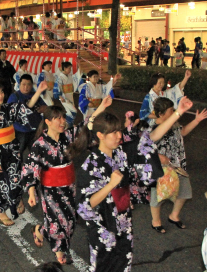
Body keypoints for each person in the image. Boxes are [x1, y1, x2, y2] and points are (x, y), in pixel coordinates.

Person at [71, 96, 194, 272]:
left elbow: (150, 138)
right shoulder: (90, 166)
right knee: (104, 266)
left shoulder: (121, 152)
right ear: (100, 136)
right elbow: (85, 204)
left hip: (123, 220)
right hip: (103, 226)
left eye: (119, 131)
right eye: (113, 133)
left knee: (124, 262)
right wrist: (110, 185)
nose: (119, 135)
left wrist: (178, 112)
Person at [22, 99, 111, 265]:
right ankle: (60, 251)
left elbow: (85, 125)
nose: (63, 121)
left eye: (63, 118)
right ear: (48, 121)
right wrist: (32, 191)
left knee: (69, 220)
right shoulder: (39, 144)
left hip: (69, 186)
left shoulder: (67, 136)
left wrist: (101, 107)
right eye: (58, 118)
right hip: (50, 189)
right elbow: (31, 167)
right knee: (57, 221)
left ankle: (40, 230)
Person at [0, 81, 48, 225]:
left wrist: (38, 92)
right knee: (2, 183)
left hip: (12, 150)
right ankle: (2, 212)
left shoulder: (9, 108)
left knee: (15, 180)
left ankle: (16, 198)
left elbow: (25, 107)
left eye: (2, 92)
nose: (0, 96)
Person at [149, 98, 207, 233]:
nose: (174, 112)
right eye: (171, 110)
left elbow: (182, 132)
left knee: (184, 191)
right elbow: (144, 149)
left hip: (178, 164)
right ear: (160, 114)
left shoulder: (174, 124)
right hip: (161, 168)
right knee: (158, 195)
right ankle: (156, 221)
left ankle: (174, 215)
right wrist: (158, 157)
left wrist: (196, 120)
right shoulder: (152, 127)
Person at [7, 74, 47, 156]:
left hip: (35, 131)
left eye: (28, 84)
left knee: (37, 153)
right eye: (24, 84)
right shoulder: (15, 96)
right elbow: (11, 112)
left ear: (32, 85)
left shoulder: (35, 95)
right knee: (17, 154)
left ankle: (35, 167)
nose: (26, 87)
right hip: (20, 131)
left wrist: (43, 108)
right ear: (19, 84)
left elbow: (46, 107)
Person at [53, 61, 82, 127]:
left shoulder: (70, 76)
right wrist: (60, 96)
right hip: (64, 97)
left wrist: (79, 65)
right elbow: (58, 87)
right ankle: (68, 125)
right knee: (73, 111)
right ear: (65, 68)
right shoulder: (60, 78)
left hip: (71, 96)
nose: (70, 70)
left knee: (69, 111)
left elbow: (78, 75)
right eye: (69, 68)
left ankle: (68, 125)